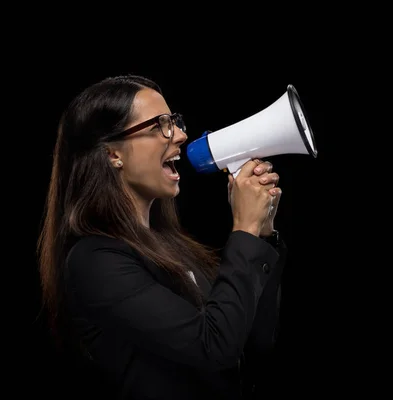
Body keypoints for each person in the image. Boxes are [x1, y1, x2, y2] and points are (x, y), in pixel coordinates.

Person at [36, 74, 287, 399]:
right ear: (113, 153)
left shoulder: (173, 247)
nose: (181, 135)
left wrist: (262, 234)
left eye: (175, 122)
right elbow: (213, 347)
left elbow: (253, 342)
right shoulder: (95, 261)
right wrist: (244, 229)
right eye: (159, 126)